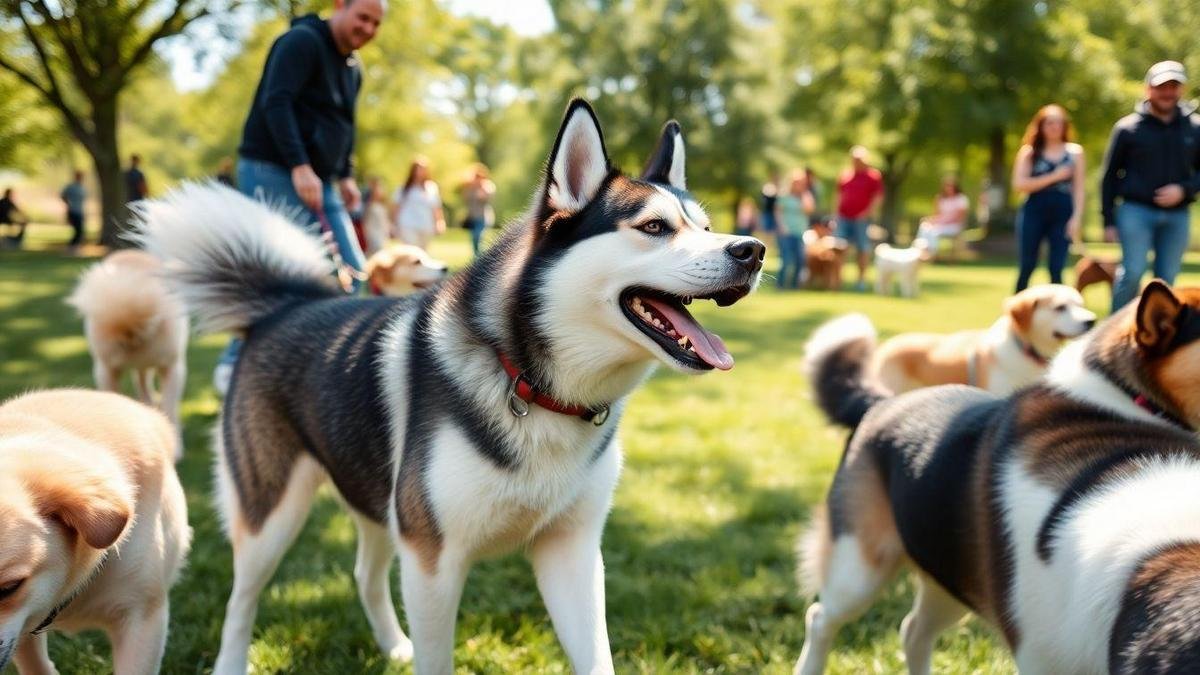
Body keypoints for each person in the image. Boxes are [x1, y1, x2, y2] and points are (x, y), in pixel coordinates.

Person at [215, 0, 387, 395]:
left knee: (352, 271)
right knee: (287, 272)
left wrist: (345, 174)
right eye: (363, 17)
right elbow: (276, 103)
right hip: (272, 168)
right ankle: (232, 367)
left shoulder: (352, 68)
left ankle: (321, 367)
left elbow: (345, 125)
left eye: (376, 23)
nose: (368, 29)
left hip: (321, 179)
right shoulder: (301, 42)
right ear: (340, 6)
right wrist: (298, 165)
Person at [1102, 60, 1200, 312]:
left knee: (1166, 280)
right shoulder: (1127, 128)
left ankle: (1158, 334)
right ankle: (1115, 334)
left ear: (1181, 90)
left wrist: (1184, 189)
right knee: (1132, 272)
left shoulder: (1195, 128)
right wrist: (1108, 220)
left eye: (1173, 86)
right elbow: (1110, 176)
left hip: (1178, 214)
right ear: (1148, 89)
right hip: (1136, 211)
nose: (1167, 92)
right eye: (1161, 87)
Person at [1012, 105, 1084, 292]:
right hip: (1034, 210)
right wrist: (1055, 176)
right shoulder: (1030, 152)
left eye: (1059, 123)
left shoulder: (1075, 152)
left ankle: (1060, 313)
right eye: (1050, 123)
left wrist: (1076, 218)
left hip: (1062, 211)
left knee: (1056, 267)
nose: (1054, 127)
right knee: (1027, 265)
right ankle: (1017, 310)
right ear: (1041, 126)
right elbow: (1020, 184)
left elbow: (1079, 189)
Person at [836, 146, 884, 291]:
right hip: (844, 217)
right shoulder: (845, 175)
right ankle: (837, 279)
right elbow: (839, 195)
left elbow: (878, 197)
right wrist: (836, 212)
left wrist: (867, 213)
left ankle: (861, 280)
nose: (856, 162)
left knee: (862, 249)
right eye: (854, 159)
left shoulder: (873, 176)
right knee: (839, 248)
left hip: (861, 219)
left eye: (859, 159)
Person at [392, 157, 445, 251]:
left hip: (426, 226)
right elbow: (396, 208)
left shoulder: (431, 187)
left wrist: (439, 222)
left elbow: (436, 207)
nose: (421, 171)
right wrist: (393, 224)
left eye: (423, 169)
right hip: (408, 225)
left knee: (423, 254)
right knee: (411, 253)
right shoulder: (404, 188)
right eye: (418, 168)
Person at [773, 169, 814, 289]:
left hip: (799, 232)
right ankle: (780, 285)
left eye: (801, 182)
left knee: (800, 260)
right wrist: (782, 227)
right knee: (786, 260)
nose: (799, 185)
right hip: (785, 232)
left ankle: (794, 286)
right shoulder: (784, 195)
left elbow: (809, 210)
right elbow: (778, 212)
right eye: (797, 182)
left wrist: (804, 194)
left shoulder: (805, 196)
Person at [914, 176, 970, 257]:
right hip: (941, 223)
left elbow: (958, 217)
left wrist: (941, 222)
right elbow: (937, 214)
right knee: (924, 227)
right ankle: (920, 252)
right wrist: (930, 220)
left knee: (933, 232)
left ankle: (932, 255)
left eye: (950, 186)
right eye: (947, 186)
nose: (948, 188)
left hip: (954, 226)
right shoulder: (940, 198)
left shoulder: (961, 199)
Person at [460, 163, 495, 256]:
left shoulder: (486, 187)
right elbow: (465, 197)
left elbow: (485, 196)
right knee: (474, 239)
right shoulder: (469, 188)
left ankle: (482, 256)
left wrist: (482, 187)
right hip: (472, 217)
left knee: (478, 236)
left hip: (483, 217)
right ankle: (477, 256)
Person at [361, 176, 392, 257]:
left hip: (382, 235)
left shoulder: (381, 206)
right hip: (373, 236)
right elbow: (366, 222)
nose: (381, 191)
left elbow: (384, 222)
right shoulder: (369, 207)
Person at [61, 170, 87, 250]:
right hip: (73, 210)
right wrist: (68, 204)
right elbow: (63, 196)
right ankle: (72, 247)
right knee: (77, 230)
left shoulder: (82, 188)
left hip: (80, 211)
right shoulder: (71, 187)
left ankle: (74, 247)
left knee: (80, 231)